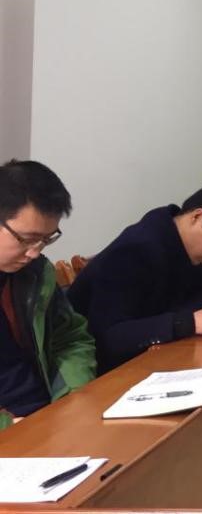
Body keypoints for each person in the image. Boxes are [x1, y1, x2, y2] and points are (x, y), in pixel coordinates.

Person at [68, 185, 202, 373]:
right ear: (197, 216)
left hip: (152, 359)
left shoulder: (183, 246)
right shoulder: (135, 249)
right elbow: (110, 337)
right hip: (101, 371)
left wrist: (180, 321)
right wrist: (186, 322)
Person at [0, 160, 94, 430]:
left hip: (48, 416)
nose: (34, 252)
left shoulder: (35, 274)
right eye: (26, 239)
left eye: (46, 239)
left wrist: (73, 396)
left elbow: (70, 338)